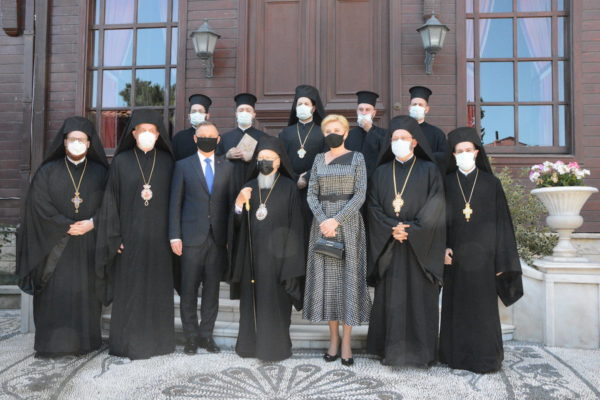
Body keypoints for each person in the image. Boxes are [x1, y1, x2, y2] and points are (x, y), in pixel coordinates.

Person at [16, 116, 108, 358]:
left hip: (89, 243)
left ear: (89, 143)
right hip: (54, 244)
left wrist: (93, 223)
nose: (77, 143)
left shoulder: (101, 172)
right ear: (64, 141)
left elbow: (111, 205)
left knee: (86, 293)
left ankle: (85, 342)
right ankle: (51, 345)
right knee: (55, 294)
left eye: (82, 139)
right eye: (72, 139)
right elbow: (38, 205)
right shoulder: (47, 171)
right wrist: (65, 225)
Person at [439, 127, 523, 374]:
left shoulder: (491, 183)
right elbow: (437, 221)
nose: (464, 154)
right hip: (455, 258)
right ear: (453, 155)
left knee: (483, 310)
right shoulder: (446, 183)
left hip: (486, 260)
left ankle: (485, 358)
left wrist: (502, 261)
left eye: (468, 150)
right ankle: (455, 356)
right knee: (457, 308)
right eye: (459, 151)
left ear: (476, 152)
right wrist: (442, 247)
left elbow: (503, 224)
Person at [95, 109, 175, 360]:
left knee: (158, 289)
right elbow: (110, 202)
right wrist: (114, 236)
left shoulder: (168, 162)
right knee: (130, 290)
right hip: (129, 240)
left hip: (160, 240)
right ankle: (126, 343)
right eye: (143, 130)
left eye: (152, 131)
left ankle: (160, 343)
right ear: (133, 133)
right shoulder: (121, 162)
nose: (147, 134)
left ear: (158, 135)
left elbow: (177, 202)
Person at [366, 115, 445, 368]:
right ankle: (388, 351)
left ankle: (422, 354)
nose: (399, 142)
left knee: (419, 300)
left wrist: (411, 230)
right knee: (391, 300)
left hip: (420, 248)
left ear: (414, 142)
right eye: (395, 138)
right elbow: (372, 207)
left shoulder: (429, 170)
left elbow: (435, 205)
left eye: (404, 138)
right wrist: (392, 228)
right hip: (390, 245)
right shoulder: (380, 172)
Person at [303, 114, 371, 367]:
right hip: (322, 227)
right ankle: (333, 338)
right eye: (328, 130)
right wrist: (324, 220)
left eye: (337, 129)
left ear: (345, 133)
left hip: (348, 225)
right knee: (328, 284)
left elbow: (360, 194)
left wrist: (337, 220)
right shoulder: (318, 159)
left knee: (349, 282)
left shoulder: (357, 158)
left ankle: (346, 342)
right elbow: (311, 194)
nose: (332, 133)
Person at [230, 136, 305, 361]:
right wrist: (238, 203)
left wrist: (291, 266)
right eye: (261, 157)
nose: (265, 162)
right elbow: (236, 226)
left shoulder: (289, 188)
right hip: (251, 259)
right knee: (251, 305)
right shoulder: (248, 187)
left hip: (279, 261)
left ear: (279, 162)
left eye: (270, 158)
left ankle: (276, 349)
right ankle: (249, 347)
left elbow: (297, 226)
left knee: (277, 305)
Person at [169, 121, 236, 355]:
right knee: (188, 290)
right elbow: (175, 203)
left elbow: (230, 205)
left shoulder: (227, 167)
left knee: (212, 291)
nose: (207, 139)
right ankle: (190, 337)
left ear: (218, 140)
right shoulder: (182, 166)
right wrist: (174, 236)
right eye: (203, 135)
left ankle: (207, 335)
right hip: (189, 238)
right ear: (195, 139)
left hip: (217, 240)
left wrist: (229, 238)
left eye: (212, 136)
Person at [217, 93, 266, 191]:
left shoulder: (263, 137)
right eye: (241, 110)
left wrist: (253, 159)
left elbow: (268, 161)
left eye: (248, 110)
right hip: (229, 186)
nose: (244, 113)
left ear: (254, 114)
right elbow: (215, 161)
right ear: (236, 114)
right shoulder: (224, 137)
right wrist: (227, 156)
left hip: (255, 185)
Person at [345, 91, 387, 178]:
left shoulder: (384, 134)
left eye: (367, 110)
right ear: (357, 112)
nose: (363, 113)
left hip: (376, 180)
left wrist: (370, 130)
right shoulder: (348, 135)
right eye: (361, 109)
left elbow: (385, 151)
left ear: (374, 113)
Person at [408, 86, 449, 173]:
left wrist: (423, 155)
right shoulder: (400, 131)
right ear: (409, 108)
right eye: (414, 104)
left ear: (426, 109)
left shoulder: (437, 133)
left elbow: (444, 156)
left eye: (420, 105)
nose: (417, 107)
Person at [172, 94, 213, 161]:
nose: (197, 114)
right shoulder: (179, 138)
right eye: (194, 111)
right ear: (189, 116)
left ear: (207, 116)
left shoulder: (214, 137)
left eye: (200, 111)